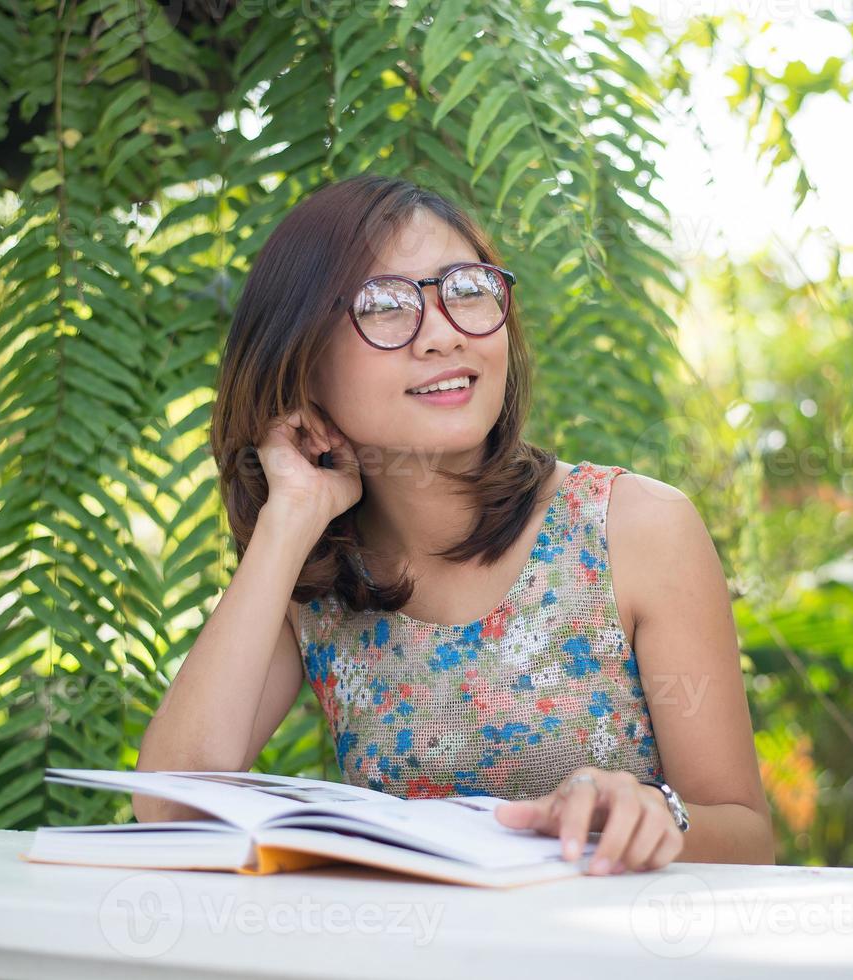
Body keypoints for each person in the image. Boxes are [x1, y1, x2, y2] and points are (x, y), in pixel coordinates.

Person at [134, 173, 774, 874]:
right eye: (383, 305)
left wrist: (651, 815)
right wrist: (288, 517)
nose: (442, 335)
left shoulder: (633, 528)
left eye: (467, 290)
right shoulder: (313, 579)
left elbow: (747, 837)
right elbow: (170, 808)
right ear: (299, 362)